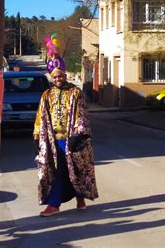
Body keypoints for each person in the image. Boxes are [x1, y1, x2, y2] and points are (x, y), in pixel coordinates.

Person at [34, 37, 98, 217]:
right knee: (57, 171)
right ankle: (57, 203)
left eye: (60, 75)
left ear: (65, 74)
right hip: (53, 140)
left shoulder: (75, 93)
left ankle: (75, 198)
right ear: (50, 77)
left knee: (76, 169)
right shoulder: (46, 95)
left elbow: (83, 114)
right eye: (54, 76)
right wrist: (37, 136)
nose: (58, 79)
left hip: (73, 139)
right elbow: (40, 116)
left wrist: (78, 134)